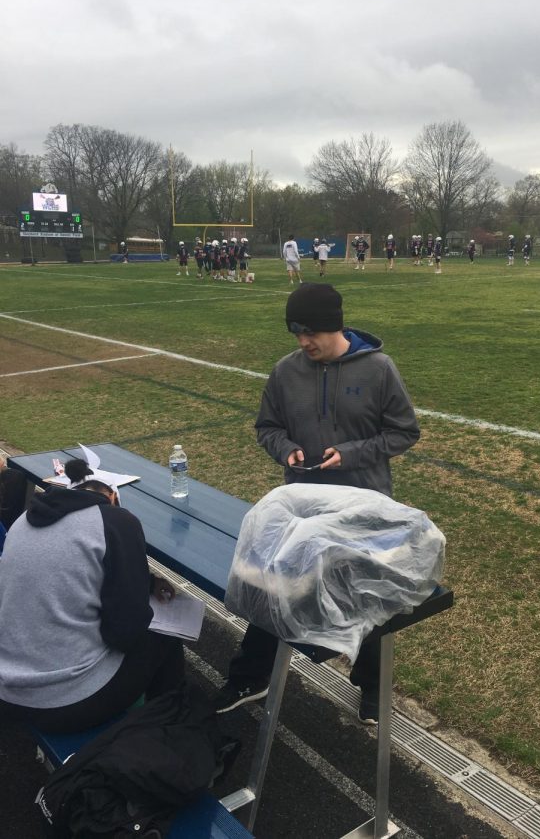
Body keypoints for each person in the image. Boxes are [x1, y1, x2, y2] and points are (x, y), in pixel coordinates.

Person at [215, 283, 420, 725]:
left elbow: (404, 432)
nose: (304, 342)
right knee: (275, 585)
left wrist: (350, 454)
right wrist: (283, 447)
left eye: (312, 333)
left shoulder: (380, 369)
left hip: (364, 508)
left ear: (336, 326)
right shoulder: (285, 372)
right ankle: (250, 675)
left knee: (368, 597)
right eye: (297, 333)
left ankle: (372, 687)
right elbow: (266, 426)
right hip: (302, 509)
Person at [0, 458, 184, 733]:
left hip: (8, 688)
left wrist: (145, 581)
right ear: (114, 497)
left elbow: (69, 569)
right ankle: (167, 737)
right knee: (166, 635)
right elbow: (125, 633)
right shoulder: (118, 521)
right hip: (63, 703)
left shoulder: (23, 520)